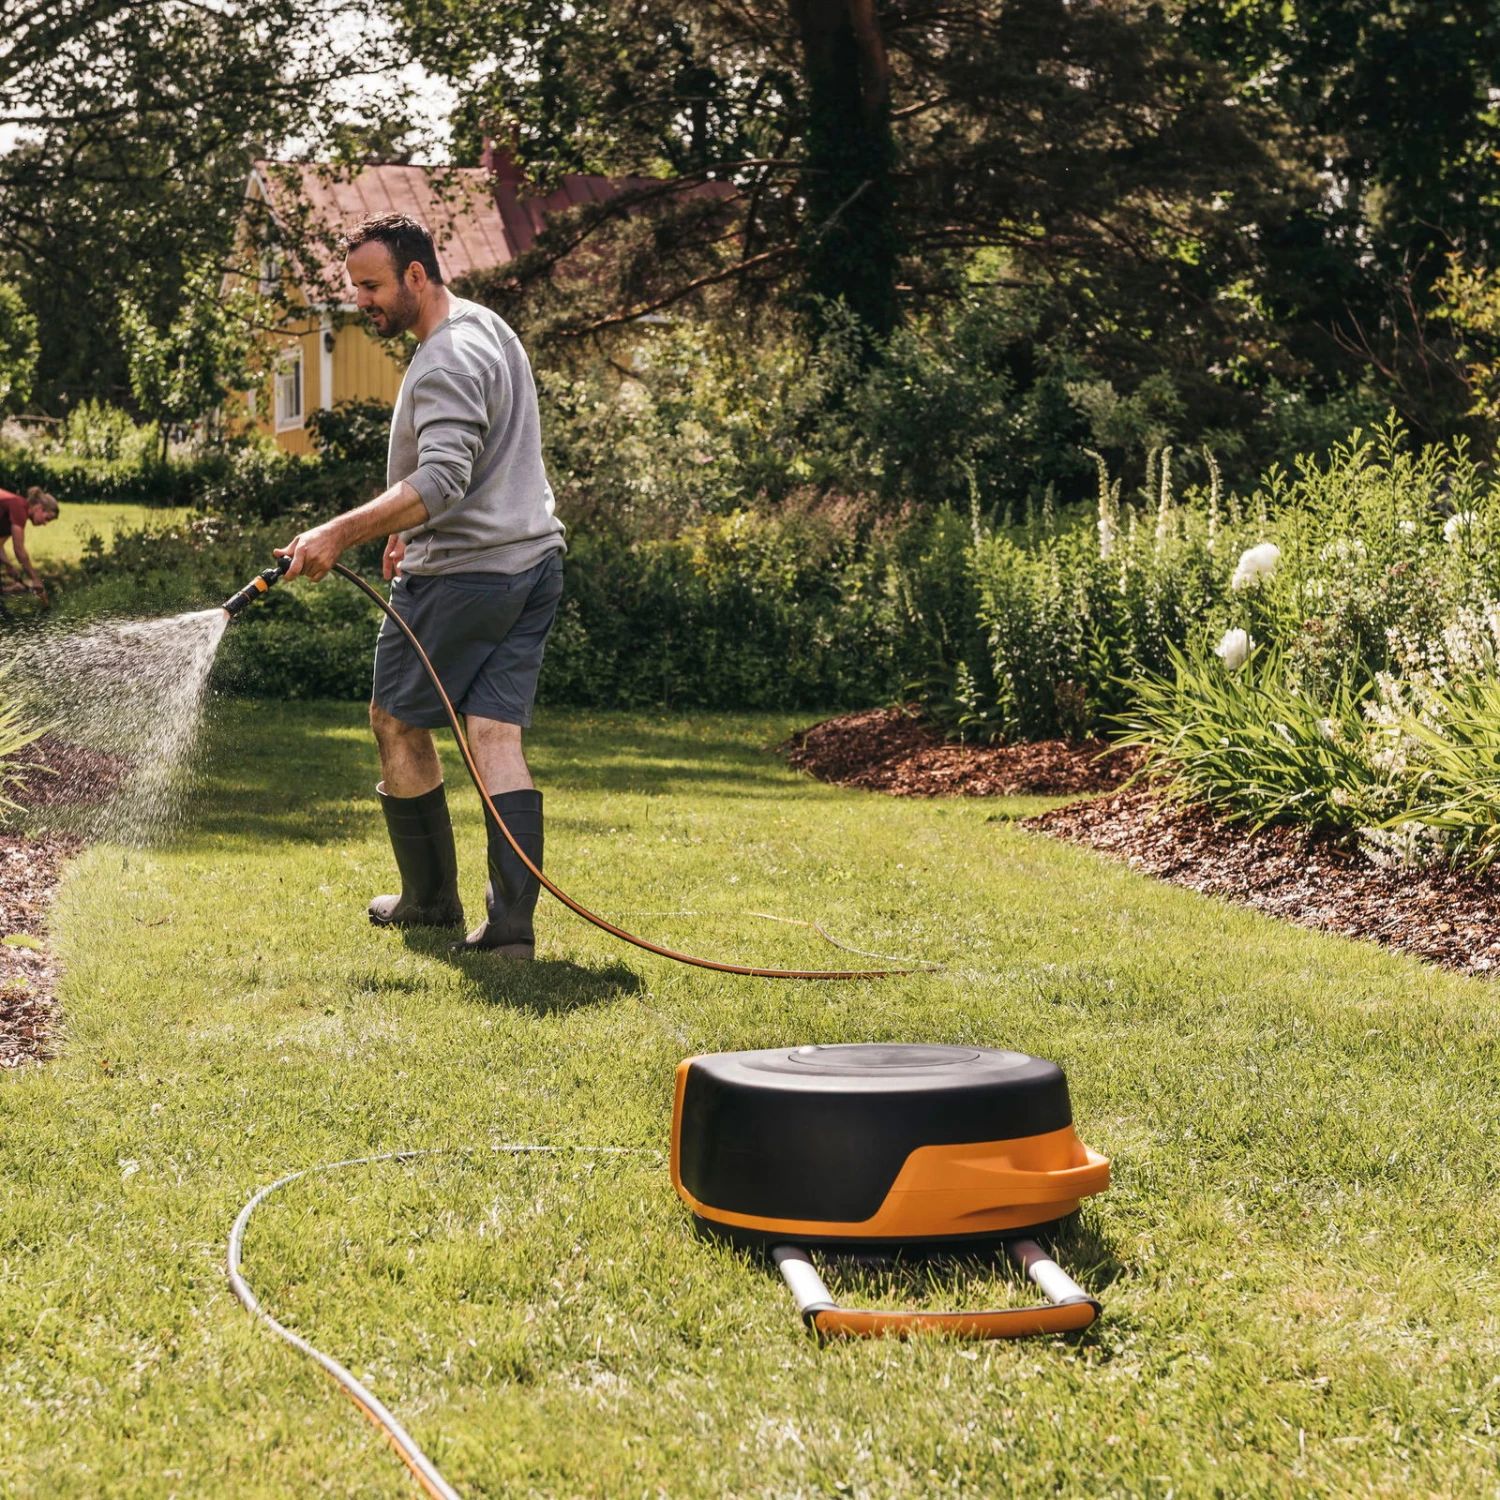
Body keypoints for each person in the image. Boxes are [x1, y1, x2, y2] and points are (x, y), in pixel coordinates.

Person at [277, 212, 566, 958]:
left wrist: (339, 532)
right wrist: (412, 526)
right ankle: (510, 929)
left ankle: (430, 901)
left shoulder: (443, 358)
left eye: (371, 286)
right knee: (495, 736)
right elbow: (480, 461)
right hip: (532, 561)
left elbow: (442, 477)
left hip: (468, 577)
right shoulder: (486, 327)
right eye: (353, 289)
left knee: (396, 721)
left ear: (415, 274)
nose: (361, 302)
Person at [0, 486, 58, 608]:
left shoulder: (14, 512)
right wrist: (35, 578)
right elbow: (19, 551)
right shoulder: (19, 507)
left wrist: (8, 565)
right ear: (39, 508)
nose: (44, 523)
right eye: (46, 518)